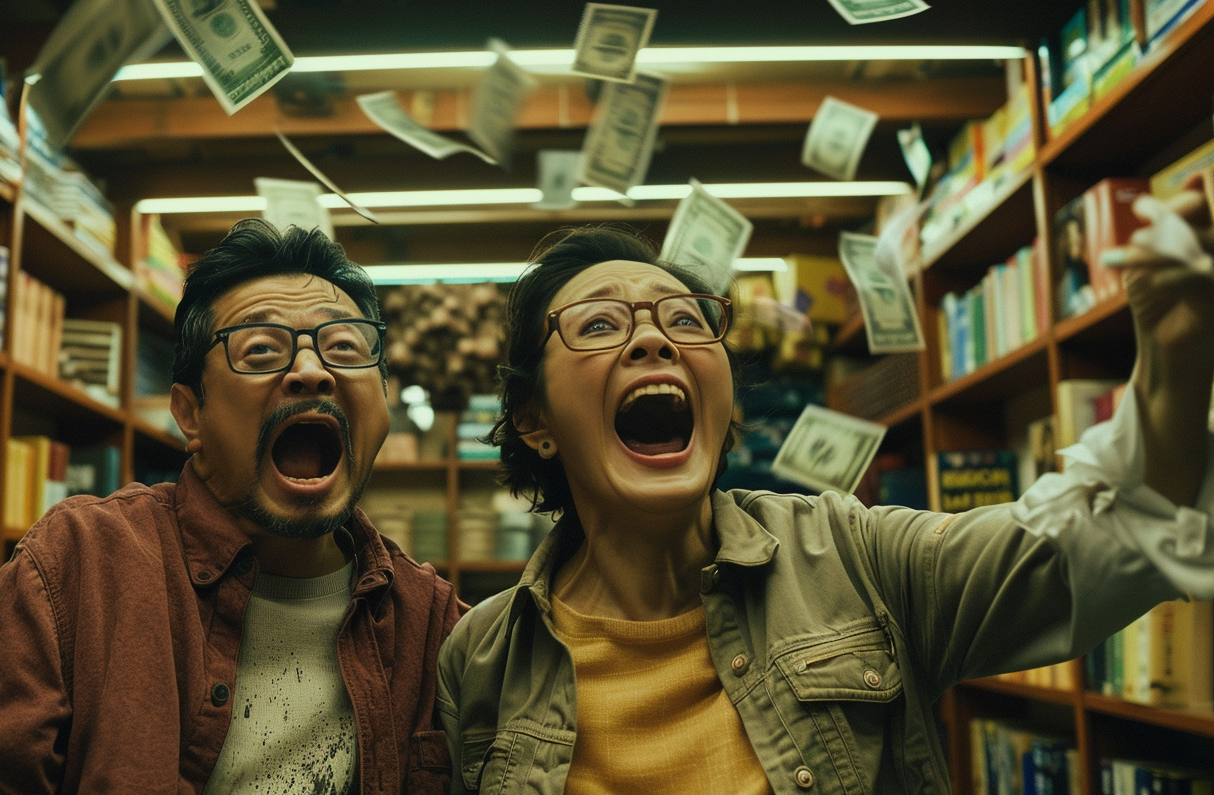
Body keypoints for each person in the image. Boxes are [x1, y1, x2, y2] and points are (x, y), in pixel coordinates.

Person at [435, 201, 1214, 795]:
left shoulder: (855, 561)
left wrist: (1177, 365)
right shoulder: (482, 661)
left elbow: (1107, 543)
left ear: (727, 402)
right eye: (600, 323)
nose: (656, 338)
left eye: (686, 319)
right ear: (534, 422)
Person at [0, 220, 466, 794]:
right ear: (190, 414)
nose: (311, 371)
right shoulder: (77, 567)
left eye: (345, 347)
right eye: (261, 350)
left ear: (382, 399)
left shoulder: (435, 625)